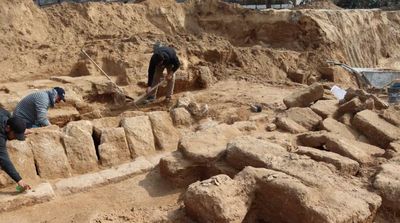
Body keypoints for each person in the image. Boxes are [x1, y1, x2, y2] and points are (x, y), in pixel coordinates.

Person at [0, 108, 31, 191]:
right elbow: (4, 159)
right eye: (15, 135)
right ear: (7, 128)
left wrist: (20, 130)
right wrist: (19, 180)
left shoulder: (6, 115)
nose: (15, 138)